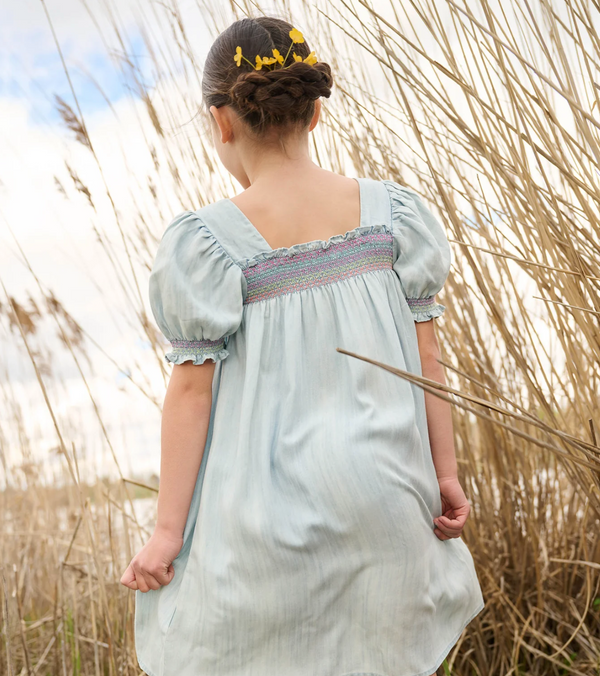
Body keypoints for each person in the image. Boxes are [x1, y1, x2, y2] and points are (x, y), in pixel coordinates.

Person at [120, 14, 485, 676]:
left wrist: (168, 533)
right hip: (388, 509)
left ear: (220, 122)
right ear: (315, 112)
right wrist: (445, 477)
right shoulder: (394, 217)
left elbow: (191, 395)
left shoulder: (206, 243)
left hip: (266, 528)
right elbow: (427, 365)